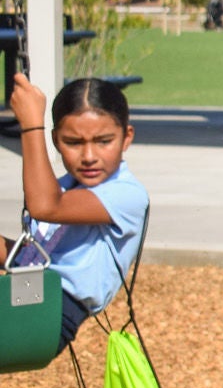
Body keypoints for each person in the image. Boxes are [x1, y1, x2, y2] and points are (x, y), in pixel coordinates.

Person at [3, 76, 149, 347]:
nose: (89, 155)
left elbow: (46, 207)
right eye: (73, 142)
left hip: (54, 315)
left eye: (104, 141)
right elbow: (30, 258)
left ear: (126, 137)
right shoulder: (64, 189)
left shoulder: (126, 195)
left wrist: (31, 125)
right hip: (27, 298)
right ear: (56, 141)